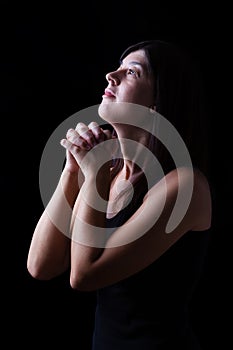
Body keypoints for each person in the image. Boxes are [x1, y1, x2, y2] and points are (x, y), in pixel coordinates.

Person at [27, 40, 212, 349]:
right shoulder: (109, 173)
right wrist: (73, 170)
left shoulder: (186, 186)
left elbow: (83, 276)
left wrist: (95, 171)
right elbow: (41, 266)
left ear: (158, 102)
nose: (111, 75)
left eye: (132, 72)